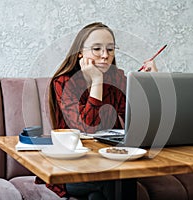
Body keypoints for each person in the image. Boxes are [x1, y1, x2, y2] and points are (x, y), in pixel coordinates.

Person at [38, 22, 157, 200]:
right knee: (116, 179)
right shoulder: (63, 82)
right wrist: (97, 81)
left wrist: (152, 84)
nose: (105, 55)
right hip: (72, 167)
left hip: (111, 158)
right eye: (97, 49)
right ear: (80, 52)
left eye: (110, 49)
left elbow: (138, 122)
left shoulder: (117, 77)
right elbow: (88, 128)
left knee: (100, 193)